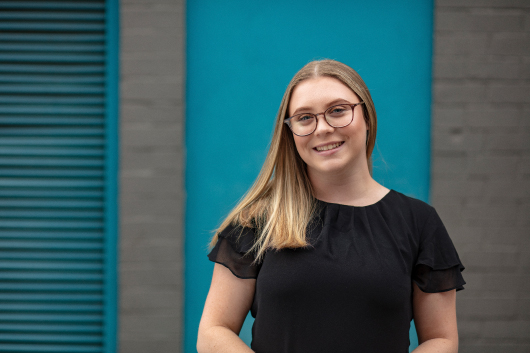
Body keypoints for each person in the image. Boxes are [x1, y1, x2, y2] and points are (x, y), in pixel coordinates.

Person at [197, 59, 465, 353]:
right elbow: (213, 333)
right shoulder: (258, 219)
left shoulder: (419, 222)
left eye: (337, 111)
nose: (322, 128)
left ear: (367, 116)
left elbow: (441, 339)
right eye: (304, 118)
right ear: (289, 131)